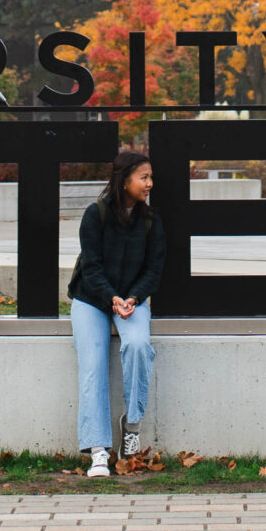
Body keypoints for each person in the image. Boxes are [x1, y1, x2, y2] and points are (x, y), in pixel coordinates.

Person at [69, 148, 162, 478]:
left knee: (137, 346)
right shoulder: (96, 215)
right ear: (124, 181)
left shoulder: (151, 221)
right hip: (91, 300)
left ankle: (132, 429)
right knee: (93, 366)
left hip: (132, 302)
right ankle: (97, 449)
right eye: (144, 177)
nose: (150, 183)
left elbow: (154, 270)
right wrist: (112, 298)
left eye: (150, 177)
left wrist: (133, 298)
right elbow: (91, 268)